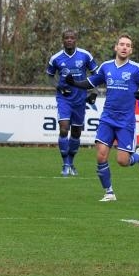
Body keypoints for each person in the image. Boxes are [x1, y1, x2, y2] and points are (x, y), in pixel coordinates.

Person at [66, 33, 139, 201]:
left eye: (128, 45)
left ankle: (137, 156)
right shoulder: (106, 67)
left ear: (131, 50)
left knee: (123, 161)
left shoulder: (136, 69)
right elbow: (91, 82)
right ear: (116, 47)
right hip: (107, 118)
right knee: (101, 155)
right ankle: (109, 192)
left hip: (125, 121)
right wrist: (74, 83)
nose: (124, 47)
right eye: (121, 44)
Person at [46, 29, 98, 176]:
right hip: (64, 99)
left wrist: (93, 92)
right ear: (63, 40)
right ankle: (65, 164)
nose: (69, 40)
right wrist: (59, 87)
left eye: (72, 38)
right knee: (63, 129)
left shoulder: (85, 55)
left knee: (76, 132)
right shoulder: (56, 58)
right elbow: (50, 76)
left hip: (80, 98)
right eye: (67, 38)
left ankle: (71, 162)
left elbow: (97, 74)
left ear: (76, 40)